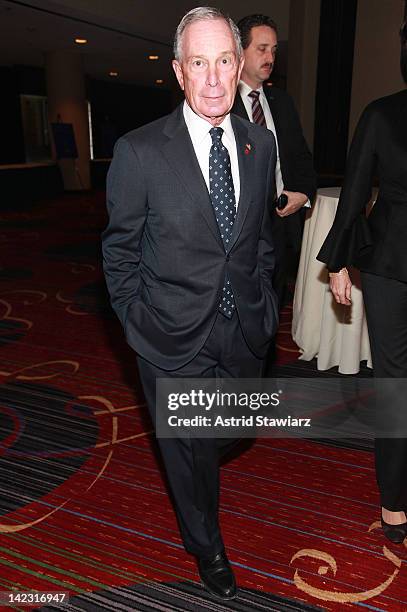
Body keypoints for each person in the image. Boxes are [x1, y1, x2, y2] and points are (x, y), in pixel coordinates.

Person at [102, 7, 278, 599]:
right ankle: (208, 548)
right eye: (198, 64)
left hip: (246, 327)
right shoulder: (140, 152)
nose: (212, 79)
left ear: (238, 67)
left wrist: (268, 304)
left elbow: (260, 241)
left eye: (223, 62)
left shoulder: (261, 142)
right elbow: (119, 253)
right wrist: (137, 327)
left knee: (235, 428)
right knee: (190, 454)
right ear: (179, 73)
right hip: (171, 339)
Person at [318, 22, 407, 545]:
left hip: (390, 261)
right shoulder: (381, 112)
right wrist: (338, 262)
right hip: (391, 267)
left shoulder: (380, 113)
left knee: (396, 385)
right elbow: (353, 195)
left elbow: (353, 196)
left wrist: (337, 263)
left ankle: (395, 505)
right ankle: (396, 499)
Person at [232, 14, 316, 309]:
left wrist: (303, 195)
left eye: (274, 50)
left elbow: (303, 160)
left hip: (280, 229)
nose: (270, 57)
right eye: (262, 49)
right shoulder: (221, 105)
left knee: (272, 308)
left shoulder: (283, 102)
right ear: (240, 51)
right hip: (237, 233)